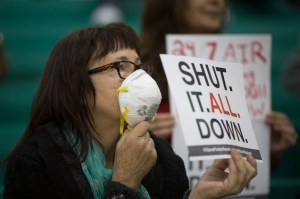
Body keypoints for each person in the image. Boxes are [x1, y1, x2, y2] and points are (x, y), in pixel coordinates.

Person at [4, 22, 257, 199]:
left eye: (137, 66)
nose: (136, 77)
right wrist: (124, 183)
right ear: (78, 89)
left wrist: (198, 197)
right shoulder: (34, 166)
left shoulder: (163, 157)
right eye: (120, 66)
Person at [140, 0, 298, 167]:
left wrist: (268, 149)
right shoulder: (139, 69)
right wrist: (140, 139)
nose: (217, 2)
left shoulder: (243, 65)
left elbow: (251, 169)